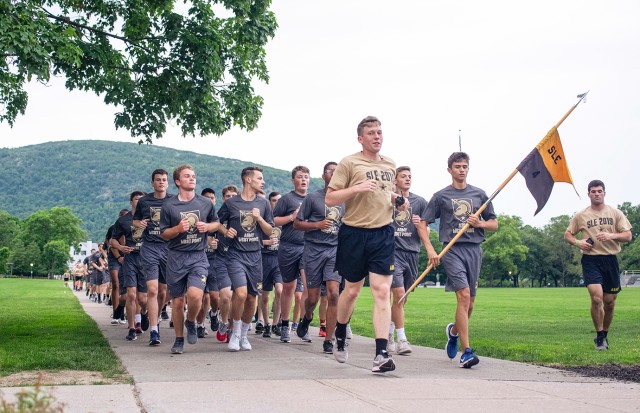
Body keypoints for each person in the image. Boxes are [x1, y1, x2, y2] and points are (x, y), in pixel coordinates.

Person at [326, 115, 407, 373]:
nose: (377, 136)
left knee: (382, 291)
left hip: (382, 233)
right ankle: (340, 332)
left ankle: (381, 353)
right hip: (354, 232)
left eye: (380, 132)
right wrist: (357, 188)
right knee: (351, 291)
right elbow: (330, 198)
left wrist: (397, 199)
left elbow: (385, 192)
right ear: (361, 138)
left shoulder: (390, 164)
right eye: (371, 133)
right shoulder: (349, 163)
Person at [425, 152, 498, 369]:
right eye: (457, 166)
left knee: (470, 303)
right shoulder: (441, 196)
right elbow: (424, 223)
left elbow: (494, 223)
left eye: (465, 166)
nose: (462, 170)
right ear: (449, 170)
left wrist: (480, 224)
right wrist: (431, 250)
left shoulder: (479, 194)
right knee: (463, 296)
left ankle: (454, 332)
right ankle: (467, 352)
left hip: (474, 249)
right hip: (451, 249)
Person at [160, 165, 225, 354]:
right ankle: (179, 339)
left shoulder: (205, 203)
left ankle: (192, 321)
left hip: (198, 256)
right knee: (178, 302)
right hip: (176, 257)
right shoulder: (169, 205)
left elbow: (217, 223)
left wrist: (208, 226)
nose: (192, 179)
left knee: (196, 296)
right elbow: (164, 234)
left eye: (194, 176)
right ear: (178, 181)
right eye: (187, 176)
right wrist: (178, 229)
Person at [564, 179, 632, 350]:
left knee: (609, 302)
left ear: (604, 193)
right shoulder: (581, 215)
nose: (596, 194)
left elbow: (628, 235)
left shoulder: (615, 213)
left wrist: (611, 236)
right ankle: (599, 335)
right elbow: (568, 234)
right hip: (591, 259)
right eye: (593, 191)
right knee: (596, 298)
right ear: (588, 194)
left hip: (610, 259)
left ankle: (605, 334)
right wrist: (578, 243)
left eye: (599, 191)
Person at [217, 167, 274, 351]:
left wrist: (259, 219)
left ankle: (243, 335)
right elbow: (217, 223)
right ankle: (234, 332)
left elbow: (270, 231)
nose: (262, 182)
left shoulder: (263, 204)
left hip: (255, 256)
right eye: (259, 178)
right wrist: (226, 231)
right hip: (235, 255)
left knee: (251, 298)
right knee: (240, 294)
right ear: (248, 180)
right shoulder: (232, 203)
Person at [294, 162, 344, 354]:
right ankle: (307, 318)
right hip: (314, 250)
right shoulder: (313, 198)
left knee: (333, 293)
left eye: (338, 171)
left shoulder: (346, 199)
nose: (335, 174)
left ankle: (329, 339)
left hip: (335, 251)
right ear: (324, 176)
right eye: (331, 171)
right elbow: (297, 224)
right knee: (313, 298)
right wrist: (317, 225)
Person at [388, 166, 439, 355]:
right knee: (399, 293)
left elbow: (427, 230)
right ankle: (402, 340)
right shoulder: (388, 200)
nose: (407, 179)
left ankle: (390, 332)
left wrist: (421, 228)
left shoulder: (419, 202)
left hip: (412, 253)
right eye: (403, 176)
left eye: (410, 176)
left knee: (403, 298)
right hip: (392, 252)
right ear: (395, 180)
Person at [133, 169, 174, 346]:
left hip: (168, 248)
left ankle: (153, 317)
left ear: (168, 183)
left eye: (164, 180)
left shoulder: (173, 200)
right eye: (158, 180)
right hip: (149, 247)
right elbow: (135, 221)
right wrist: (139, 223)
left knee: (164, 291)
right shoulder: (144, 201)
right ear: (152, 183)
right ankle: (154, 330)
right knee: (152, 289)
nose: (161, 182)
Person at [273, 166, 310, 343]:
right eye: (300, 177)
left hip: (308, 247)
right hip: (288, 246)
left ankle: (303, 324)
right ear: (293, 180)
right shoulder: (287, 199)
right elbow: (273, 220)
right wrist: (291, 217)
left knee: (309, 288)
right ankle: (285, 324)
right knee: (288, 287)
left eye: (306, 177)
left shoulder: (314, 199)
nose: (304, 180)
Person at [111, 191, 147, 341]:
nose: (139, 202)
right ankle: (132, 328)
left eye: (142, 199)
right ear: (131, 202)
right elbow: (112, 240)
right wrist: (120, 248)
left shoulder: (151, 218)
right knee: (131, 295)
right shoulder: (123, 221)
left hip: (146, 259)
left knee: (143, 299)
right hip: (130, 258)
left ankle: (144, 314)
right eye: (136, 199)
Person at [259, 191, 283, 338]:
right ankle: (266, 324)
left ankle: (276, 324)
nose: (276, 203)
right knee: (265, 296)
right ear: (269, 202)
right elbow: (251, 239)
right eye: (274, 200)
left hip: (279, 260)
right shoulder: (263, 219)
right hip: (264, 259)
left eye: (279, 201)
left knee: (280, 290)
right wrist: (265, 242)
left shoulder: (284, 219)